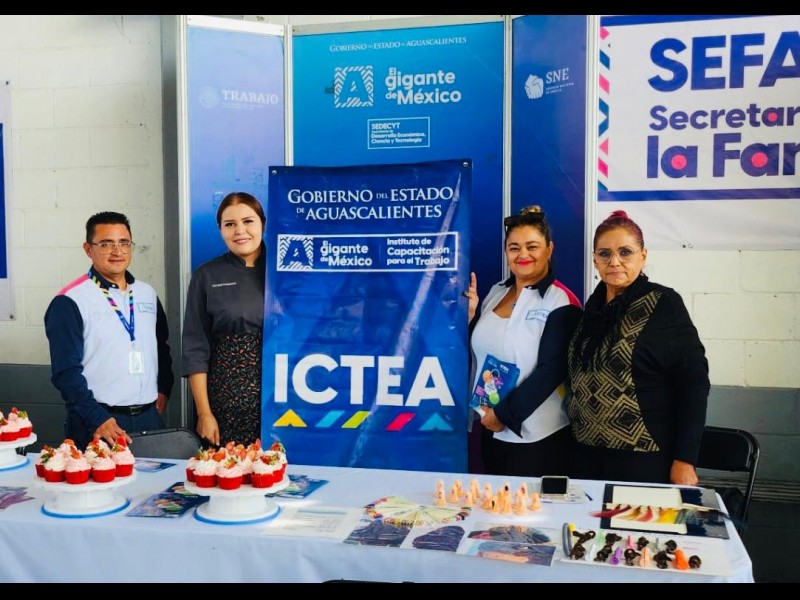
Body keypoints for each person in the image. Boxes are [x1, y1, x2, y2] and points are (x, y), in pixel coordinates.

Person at [567, 210, 709, 485]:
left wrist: (685, 458)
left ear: (643, 256)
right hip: (584, 455)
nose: (615, 262)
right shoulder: (592, 309)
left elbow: (694, 383)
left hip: (642, 456)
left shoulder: (663, 303)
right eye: (605, 254)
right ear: (595, 260)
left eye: (625, 252)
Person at [466, 205, 583, 476]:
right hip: (491, 428)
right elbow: (485, 347)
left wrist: (503, 415)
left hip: (538, 438)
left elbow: (551, 371)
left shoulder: (561, 301)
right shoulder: (496, 292)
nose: (523, 255)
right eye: (514, 247)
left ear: (549, 249)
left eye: (532, 247)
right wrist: (470, 319)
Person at [44, 211, 174, 449]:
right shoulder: (70, 301)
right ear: (88, 249)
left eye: (124, 243)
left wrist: (164, 390)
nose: (117, 251)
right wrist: (97, 418)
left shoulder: (146, 293)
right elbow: (65, 372)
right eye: (106, 244)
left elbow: (161, 347)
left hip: (148, 417)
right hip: (98, 421)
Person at [181, 192, 267, 447]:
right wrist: (204, 413)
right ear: (220, 230)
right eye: (230, 224)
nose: (240, 231)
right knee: (228, 468)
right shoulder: (206, 275)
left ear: (263, 223)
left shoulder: (287, 270)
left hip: (284, 397)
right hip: (226, 401)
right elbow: (195, 348)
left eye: (248, 221)